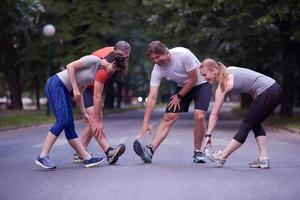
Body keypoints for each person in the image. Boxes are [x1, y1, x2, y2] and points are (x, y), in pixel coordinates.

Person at [35, 51, 126, 170]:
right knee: (63, 120)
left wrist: (84, 112)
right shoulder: (93, 60)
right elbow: (70, 67)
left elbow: (80, 92)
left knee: (69, 127)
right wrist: (74, 88)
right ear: (113, 63)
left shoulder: (95, 72)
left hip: (63, 90)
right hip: (56, 84)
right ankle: (43, 155)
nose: (113, 72)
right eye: (116, 69)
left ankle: (87, 158)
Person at [133, 41, 212, 163]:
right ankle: (150, 150)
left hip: (201, 83)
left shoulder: (183, 54)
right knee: (169, 116)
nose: (155, 61)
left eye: (157, 57)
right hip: (183, 86)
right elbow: (152, 97)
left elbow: (193, 79)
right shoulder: (157, 69)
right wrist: (145, 122)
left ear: (166, 52)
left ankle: (198, 152)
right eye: (153, 59)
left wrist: (179, 96)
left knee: (199, 115)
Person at [200, 58, 281, 168]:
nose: (204, 79)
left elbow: (214, 114)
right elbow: (253, 80)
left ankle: (222, 156)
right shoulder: (230, 69)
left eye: (205, 75)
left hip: (267, 91)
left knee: (246, 124)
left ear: (214, 71)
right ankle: (263, 158)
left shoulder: (224, 85)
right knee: (255, 123)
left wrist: (208, 135)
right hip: (275, 88)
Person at [73, 41, 131, 164]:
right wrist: (98, 121)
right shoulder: (104, 63)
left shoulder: (115, 53)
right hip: (84, 87)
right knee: (94, 119)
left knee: (91, 121)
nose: (124, 60)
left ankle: (80, 152)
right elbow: (97, 95)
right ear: (114, 52)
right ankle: (108, 151)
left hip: (90, 86)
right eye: (122, 57)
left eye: (126, 57)